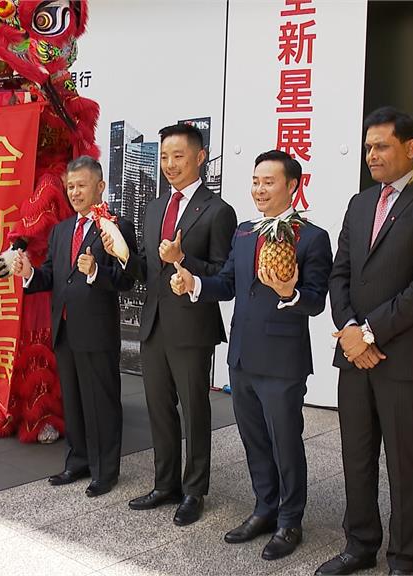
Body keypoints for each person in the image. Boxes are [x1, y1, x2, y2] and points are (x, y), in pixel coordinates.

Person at [170, 150, 332, 560]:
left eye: (269, 182)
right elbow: (226, 283)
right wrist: (195, 282)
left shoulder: (312, 237)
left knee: (285, 443)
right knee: (254, 440)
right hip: (241, 356)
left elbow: (315, 301)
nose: (259, 189)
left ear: (293, 186)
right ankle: (264, 508)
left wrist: (288, 293)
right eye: (256, 181)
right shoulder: (244, 233)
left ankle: (290, 519)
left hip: (282, 361)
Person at [318, 107, 413, 576]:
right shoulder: (359, 203)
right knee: (356, 455)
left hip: (404, 357)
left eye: (382, 146)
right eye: (368, 146)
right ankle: (359, 545)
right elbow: (340, 274)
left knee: (404, 461)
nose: (371, 155)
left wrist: (370, 331)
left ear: (410, 148)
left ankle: (406, 557)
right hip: (354, 354)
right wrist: (352, 333)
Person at [111, 123, 237, 526]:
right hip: (153, 323)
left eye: (178, 156)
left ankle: (194, 490)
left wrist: (186, 261)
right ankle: (165, 483)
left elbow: (223, 275)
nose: (169, 164)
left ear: (200, 157)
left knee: (195, 411)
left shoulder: (218, 211)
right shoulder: (154, 207)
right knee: (158, 408)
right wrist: (120, 254)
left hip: (192, 326)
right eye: (164, 156)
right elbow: (148, 268)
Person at [14, 156, 137, 498]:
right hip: (65, 329)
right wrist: (29, 274)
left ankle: (105, 470)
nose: (75, 192)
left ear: (100, 186)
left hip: (97, 331)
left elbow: (128, 279)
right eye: (70, 186)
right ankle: (78, 460)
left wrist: (97, 271)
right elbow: (52, 276)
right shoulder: (62, 229)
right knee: (75, 401)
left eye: (82, 185)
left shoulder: (116, 227)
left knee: (102, 401)